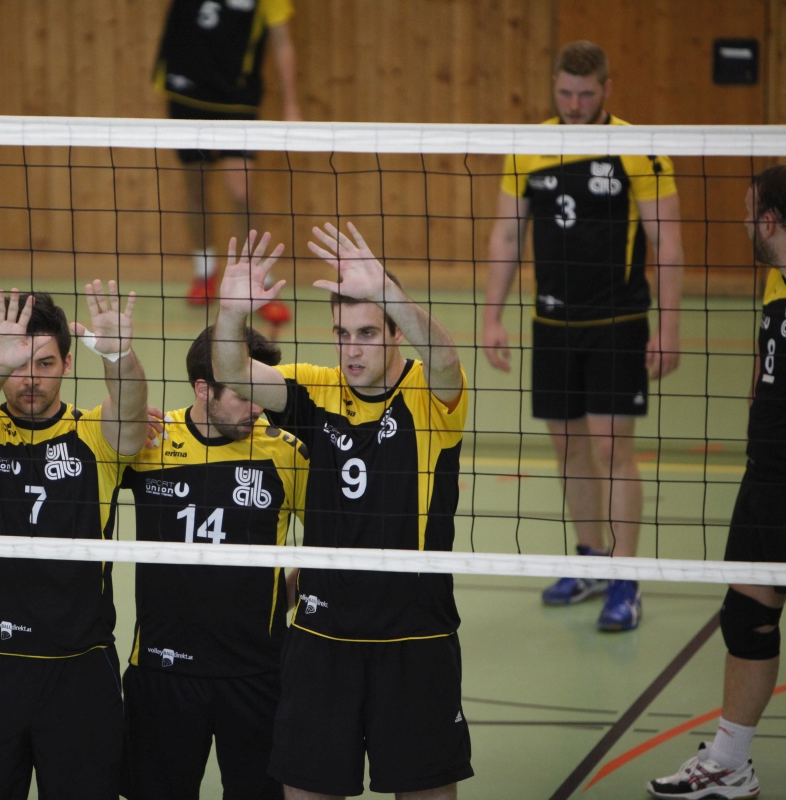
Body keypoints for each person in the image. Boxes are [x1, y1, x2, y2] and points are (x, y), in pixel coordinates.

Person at [213, 225, 472, 799]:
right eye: (342, 334)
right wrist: (230, 314)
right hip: (322, 635)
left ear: (396, 332)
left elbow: (447, 358)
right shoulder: (316, 390)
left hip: (416, 635)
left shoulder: (430, 396)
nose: (352, 349)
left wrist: (390, 294)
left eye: (368, 333)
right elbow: (233, 374)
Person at [482, 40, 684, 631]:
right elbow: (506, 235)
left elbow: (669, 241)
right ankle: (590, 560)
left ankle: (625, 579)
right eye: (565, 93)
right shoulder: (529, 146)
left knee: (612, 449)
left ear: (606, 89)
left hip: (618, 323)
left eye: (586, 94)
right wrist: (492, 316)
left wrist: (670, 327)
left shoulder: (637, 148)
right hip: (552, 324)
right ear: (554, 87)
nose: (574, 104)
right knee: (568, 448)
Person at [0, 283, 150, 799]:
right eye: (19, 364)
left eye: (45, 363)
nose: (30, 378)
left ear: (68, 364)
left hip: (80, 670)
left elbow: (132, 418)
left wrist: (119, 356)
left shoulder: (95, 435)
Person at [646, 166, 786, 799]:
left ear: (769, 222)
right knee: (747, 616)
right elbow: (766, 365)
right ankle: (731, 762)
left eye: (748, 212)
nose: (741, 222)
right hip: (769, 477)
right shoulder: (775, 280)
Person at [120, 325, 307, 800]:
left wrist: (280, 597)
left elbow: (336, 544)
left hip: (258, 675)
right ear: (203, 389)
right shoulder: (151, 440)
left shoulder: (286, 452)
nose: (258, 406)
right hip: (163, 671)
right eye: (244, 394)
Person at [154, 0, 300, 327]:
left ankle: (258, 280)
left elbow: (282, 42)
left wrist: (291, 105)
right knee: (196, 188)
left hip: (237, 99)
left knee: (241, 192)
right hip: (187, 95)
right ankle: (204, 272)